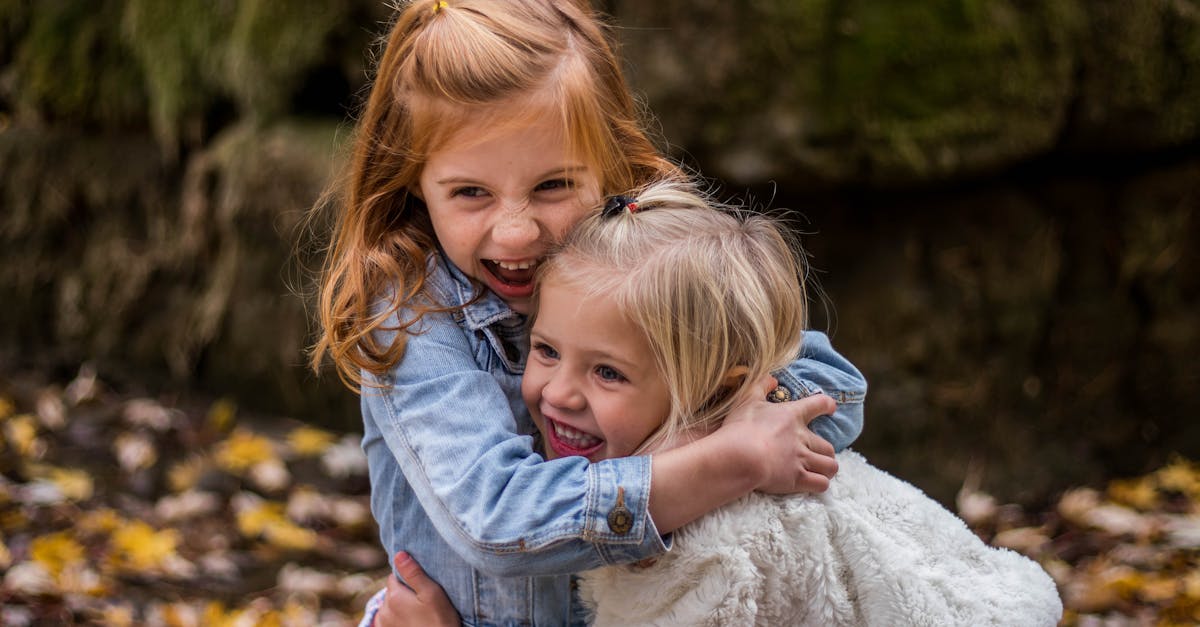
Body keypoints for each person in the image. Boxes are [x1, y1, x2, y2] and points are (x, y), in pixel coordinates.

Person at [311, 1, 866, 625]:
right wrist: (722, 461)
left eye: (553, 186)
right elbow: (496, 518)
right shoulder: (412, 312)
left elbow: (834, 392)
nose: (517, 233)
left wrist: (706, 419)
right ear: (412, 179)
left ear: (608, 164)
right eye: (472, 193)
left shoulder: (642, 264)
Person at [527, 182, 1063, 624]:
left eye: (607, 373)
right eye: (546, 349)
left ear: (716, 392)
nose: (557, 392)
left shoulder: (727, 544)